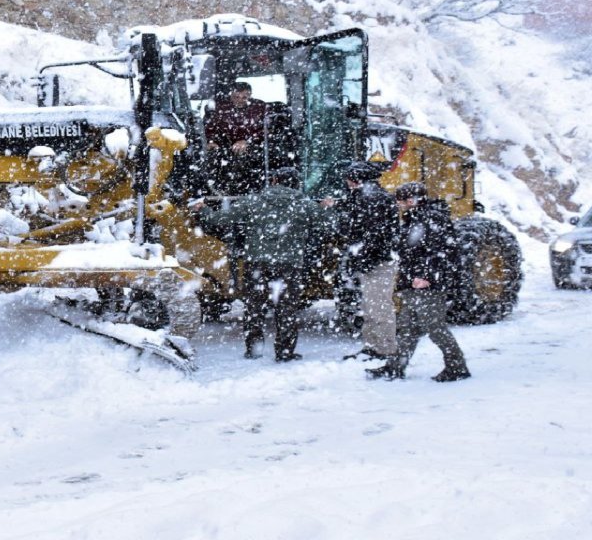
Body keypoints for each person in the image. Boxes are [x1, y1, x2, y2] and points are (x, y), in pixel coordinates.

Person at [196, 166, 327, 362]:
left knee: (254, 307)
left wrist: (204, 209)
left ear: (274, 181)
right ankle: (284, 351)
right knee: (287, 308)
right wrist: (326, 208)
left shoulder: (253, 201)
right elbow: (328, 224)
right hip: (290, 264)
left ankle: (254, 349)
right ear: (296, 183)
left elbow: (219, 220)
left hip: (256, 263)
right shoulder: (304, 204)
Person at [367, 182, 472, 382]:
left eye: (401, 200)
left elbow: (441, 253)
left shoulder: (432, 219)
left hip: (427, 285)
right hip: (412, 283)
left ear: (411, 200)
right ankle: (395, 366)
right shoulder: (414, 219)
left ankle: (457, 366)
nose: (398, 205)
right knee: (408, 328)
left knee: (435, 328)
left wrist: (427, 277)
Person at [324, 160, 399, 360]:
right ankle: (373, 346)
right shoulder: (369, 196)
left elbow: (367, 231)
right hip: (374, 259)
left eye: (348, 178)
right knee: (370, 306)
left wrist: (365, 256)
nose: (347, 183)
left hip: (375, 261)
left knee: (378, 307)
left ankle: (384, 349)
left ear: (355, 179)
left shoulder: (369, 199)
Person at [204, 82, 268, 194]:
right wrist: (211, 141)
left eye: (244, 97)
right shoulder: (221, 108)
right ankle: (214, 191)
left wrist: (248, 141)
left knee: (243, 158)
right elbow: (210, 127)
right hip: (224, 145)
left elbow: (265, 130)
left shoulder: (259, 108)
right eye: (236, 97)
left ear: (250, 95)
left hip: (253, 147)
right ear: (230, 95)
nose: (240, 100)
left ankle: (244, 191)